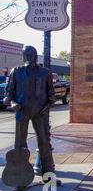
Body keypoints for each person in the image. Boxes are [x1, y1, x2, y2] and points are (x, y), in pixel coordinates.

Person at [4, 46, 57, 183]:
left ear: (36, 55)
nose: (30, 56)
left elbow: (52, 95)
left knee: (44, 143)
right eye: (27, 54)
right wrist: (13, 104)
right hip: (22, 111)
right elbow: (8, 95)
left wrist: (48, 105)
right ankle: (21, 179)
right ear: (23, 56)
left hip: (40, 112)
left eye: (32, 54)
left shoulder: (45, 73)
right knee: (20, 145)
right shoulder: (16, 71)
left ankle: (48, 176)